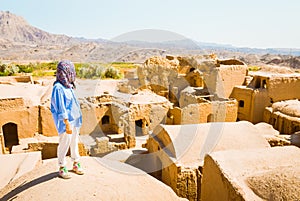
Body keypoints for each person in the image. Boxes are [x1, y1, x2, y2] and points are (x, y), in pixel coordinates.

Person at [51, 60, 84, 179]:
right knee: (64, 143)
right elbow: (60, 107)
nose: (73, 73)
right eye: (71, 71)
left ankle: (76, 163)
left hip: (75, 120)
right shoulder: (58, 88)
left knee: (74, 142)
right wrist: (66, 122)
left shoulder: (69, 86)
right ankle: (62, 166)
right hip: (66, 122)